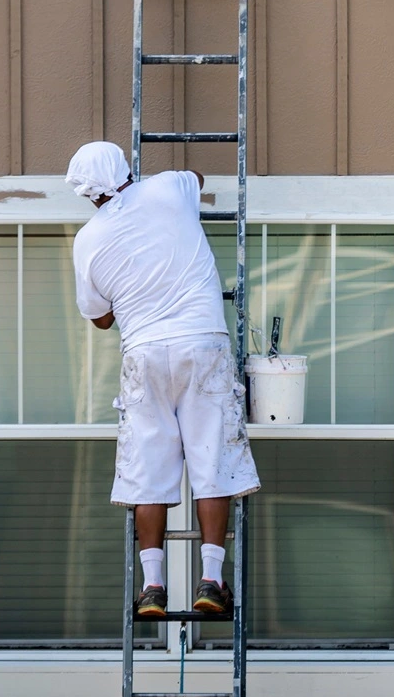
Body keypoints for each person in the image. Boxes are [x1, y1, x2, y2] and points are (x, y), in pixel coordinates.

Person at [66, 140, 259, 620]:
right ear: (126, 169)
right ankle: (211, 581)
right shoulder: (169, 189)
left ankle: (152, 588)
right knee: (212, 461)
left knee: (147, 472)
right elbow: (196, 178)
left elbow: (102, 319)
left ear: (87, 192)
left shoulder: (87, 240)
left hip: (144, 352)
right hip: (203, 342)